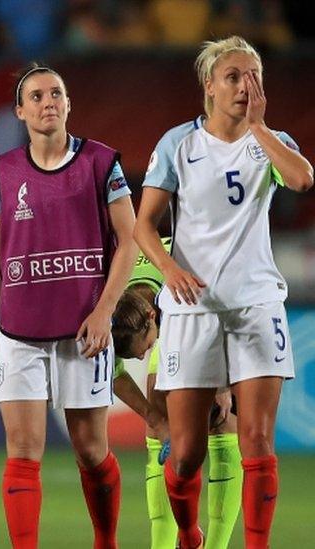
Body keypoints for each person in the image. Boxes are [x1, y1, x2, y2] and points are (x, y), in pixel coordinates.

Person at [134, 35, 312, 549]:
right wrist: (168, 269)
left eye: (252, 76)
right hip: (193, 310)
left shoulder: (272, 139)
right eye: (233, 76)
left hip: (257, 305)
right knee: (187, 452)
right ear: (209, 86)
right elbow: (145, 224)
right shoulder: (178, 144)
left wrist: (258, 127)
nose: (244, 86)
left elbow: (302, 180)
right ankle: (188, 535)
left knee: (256, 440)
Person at [0, 64, 139, 549]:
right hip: (19, 334)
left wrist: (104, 311)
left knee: (91, 451)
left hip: (81, 334)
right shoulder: (4, 170)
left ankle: (105, 541)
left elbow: (128, 242)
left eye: (57, 94)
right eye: (38, 96)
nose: (49, 102)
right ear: (20, 110)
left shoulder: (100, 163)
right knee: (22, 453)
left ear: (68, 104)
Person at [110, 237, 243, 549]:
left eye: (141, 349)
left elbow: (223, 305)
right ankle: (173, 541)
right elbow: (113, 373)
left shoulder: (183, 268)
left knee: (221, 419)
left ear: (151, 318)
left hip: (214, 313)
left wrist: (222, 384)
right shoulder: (112, 295)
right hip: (179, 313)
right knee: (160, 423)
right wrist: (156, 419)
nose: (142, 358)